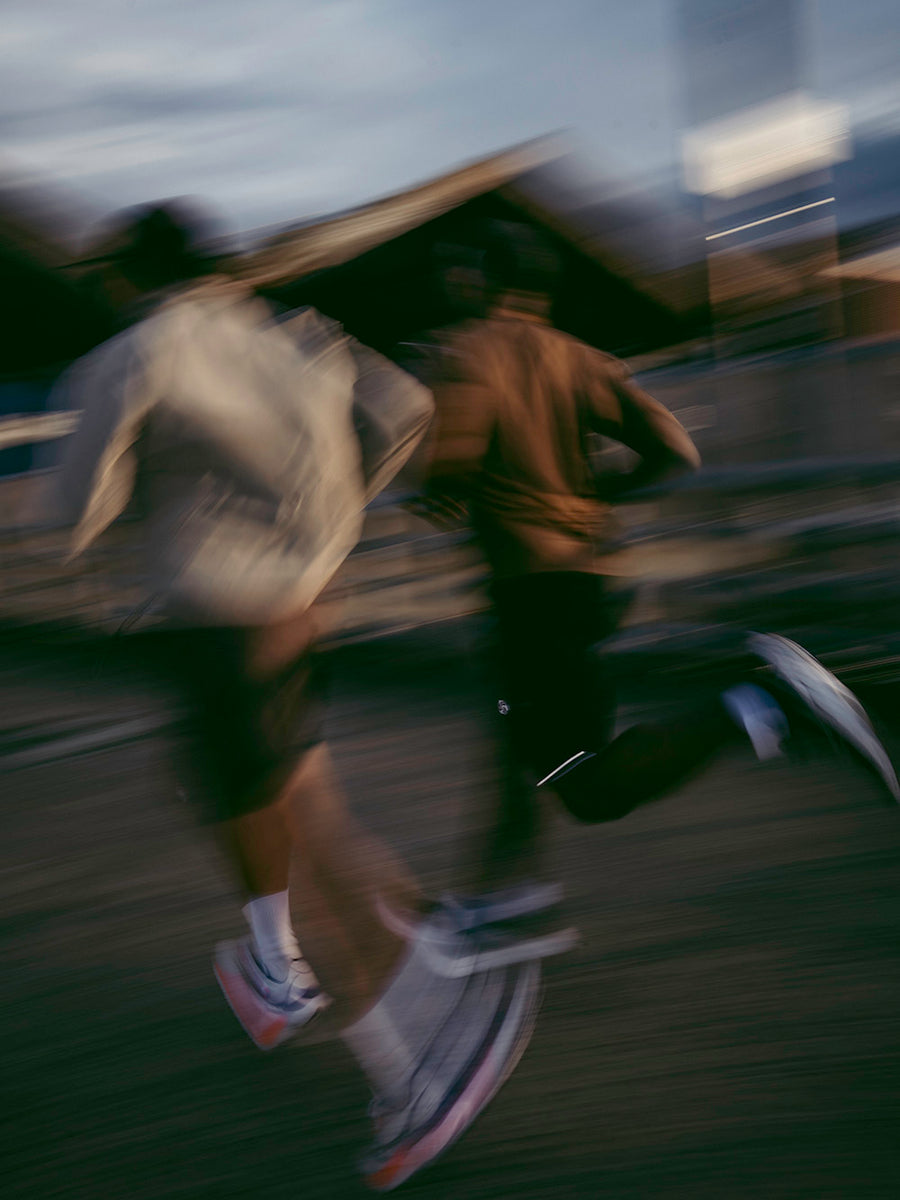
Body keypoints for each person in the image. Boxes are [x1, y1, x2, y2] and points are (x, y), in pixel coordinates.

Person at [52, 200, 541, 1191]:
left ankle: (418, 1062)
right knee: (290, 803)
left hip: (209, 620)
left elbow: (71, 511)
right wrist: (334, 519)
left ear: (128, 274)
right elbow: (405, 411)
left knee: (289, 836)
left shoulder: (138, 352)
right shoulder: (304, 340)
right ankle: (310, 968)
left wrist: (125, 533)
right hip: (301, 612)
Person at [424, 220, 898, 916]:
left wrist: (440, 482)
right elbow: (677, 447)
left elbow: (453, 462)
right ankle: (502, 892)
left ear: (479, 277)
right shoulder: (581, 359)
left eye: (463, 272)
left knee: (583, 784)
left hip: (532, 591)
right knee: (520, 735)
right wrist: (594, 494)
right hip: (585, 581)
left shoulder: (469, 351)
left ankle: (759, 700)